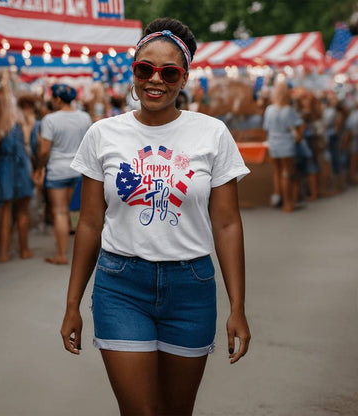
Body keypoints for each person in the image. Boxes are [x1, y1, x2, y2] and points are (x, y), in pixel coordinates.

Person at [61, 17, 251, 416]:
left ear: (184, 78)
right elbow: (91, 223)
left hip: (191, 287)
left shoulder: (212, 134)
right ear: (133, 71)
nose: (155, 80)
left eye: (169, 72)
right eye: (144, 69)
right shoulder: (102, 134)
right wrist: (72, 302)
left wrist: (238, 307)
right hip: (120, 287)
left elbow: (228, 223)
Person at [34, 84, 92, 265]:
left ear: (58, 99)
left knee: (59, 212)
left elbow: (44, 151)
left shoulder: (49, 120)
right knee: (76, 212)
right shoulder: (84, 117)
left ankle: (61, 254)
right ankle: (81, 253)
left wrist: (39, 168)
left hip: (57, 171)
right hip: (78, 169)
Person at [0, 84, 34, 262]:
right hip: (19, 170)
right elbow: (20, 151)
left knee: (5, 211)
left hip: (2, 171)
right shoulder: (16, 124)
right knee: (22, 211)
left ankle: (3, 252)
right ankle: (24, 250)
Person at [263, 81, 303, 212]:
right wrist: (298, 136)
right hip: (286, 143)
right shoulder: (288, 110)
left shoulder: (269, 110)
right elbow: (299, 124)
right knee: (286, 172)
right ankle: (287, 202)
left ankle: (278, 197)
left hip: (273, 142)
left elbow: (266, 128)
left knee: (276, 171)